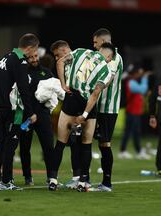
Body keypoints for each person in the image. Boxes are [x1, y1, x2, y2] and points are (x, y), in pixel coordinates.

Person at [48, 42, 115, 192]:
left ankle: (52, 179)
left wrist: (64, 85)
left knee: (60, 142)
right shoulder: (106, 69)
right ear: (109, 56)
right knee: (86, 144)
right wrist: (84, 115)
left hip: (71, 98)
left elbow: (59, 62)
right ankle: (83, 182)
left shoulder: (81, 51)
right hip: (87, 105)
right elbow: (96, 93)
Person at [0, 33, 38, 190]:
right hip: (13, 110)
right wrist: (30, 112)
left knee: (1, 144)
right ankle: (6, 181)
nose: (33, 54)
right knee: (10, 145)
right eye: (34, 50)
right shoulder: (20, 60)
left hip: (0, 107)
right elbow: (24, 88)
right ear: (30, 47)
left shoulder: (5, 57)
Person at [90, 28, 123, 191]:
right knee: (88, 140)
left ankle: (106, 183)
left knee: (104, 144)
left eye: (96, 42)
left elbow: (106, 80)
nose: (94, 45)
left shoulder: (114, 57)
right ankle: (84, 178)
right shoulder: (100, 56)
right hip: (97, 105)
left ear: (103, 41)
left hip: (107, 108)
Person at [50, 40, 82, 189]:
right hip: (69, 105)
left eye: (57, 54)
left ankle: (78, 178)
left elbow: (60, 63)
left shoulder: (79, 58)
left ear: (64, 50)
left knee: (77, 143)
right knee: (61, 143)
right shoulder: (66, 63)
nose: (57, 58)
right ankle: (53, 178)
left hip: (81, 107)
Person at [19, 48, 54, 185]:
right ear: (26, 59)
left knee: (48, 147)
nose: (34, 59)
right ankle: (27, 177)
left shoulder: (46, 72)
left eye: (36, 56)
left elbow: (54, 91)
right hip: (26, 116)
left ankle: (51, 177)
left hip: (43, 115)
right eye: (31, 57)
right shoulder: (22, 73)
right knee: (24, 147)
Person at [119, 63, 151, 160]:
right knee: (130, 132)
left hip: (135, 111)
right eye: (138, 73)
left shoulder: (132, 81)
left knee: (133, 132)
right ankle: (125, 151)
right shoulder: (131, 82)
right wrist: (145, 78)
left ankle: (134, 151)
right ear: (134, 73)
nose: (139, 75)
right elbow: (143, 89)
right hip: (132, 111)